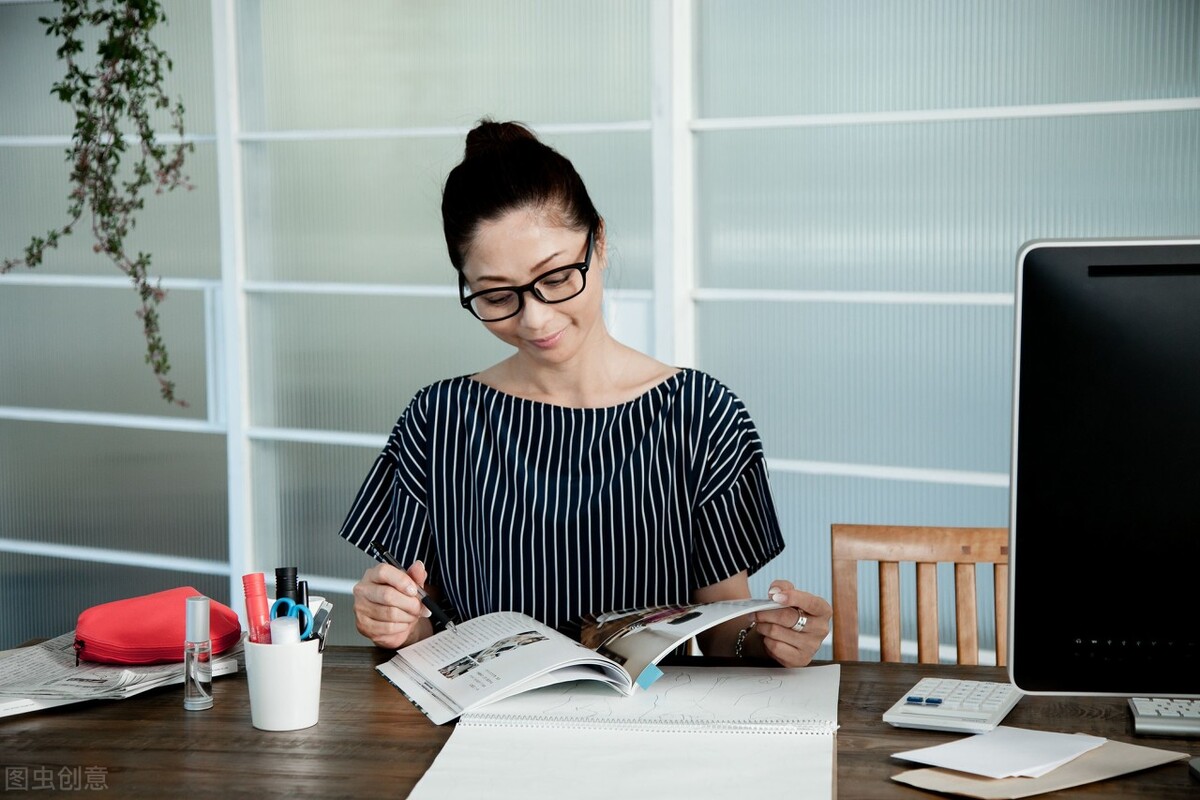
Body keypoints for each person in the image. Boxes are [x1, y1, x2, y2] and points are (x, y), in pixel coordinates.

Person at [340, 119, 831, 667]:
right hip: (481, 729)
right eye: (497, 295)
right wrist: (392, 620)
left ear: (598, 241)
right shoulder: (438, 419)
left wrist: (772, 641)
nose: (535, 318)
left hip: (653, 733)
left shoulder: (701, 414)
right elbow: (418, 621)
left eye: (554, 279)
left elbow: (722, 633)